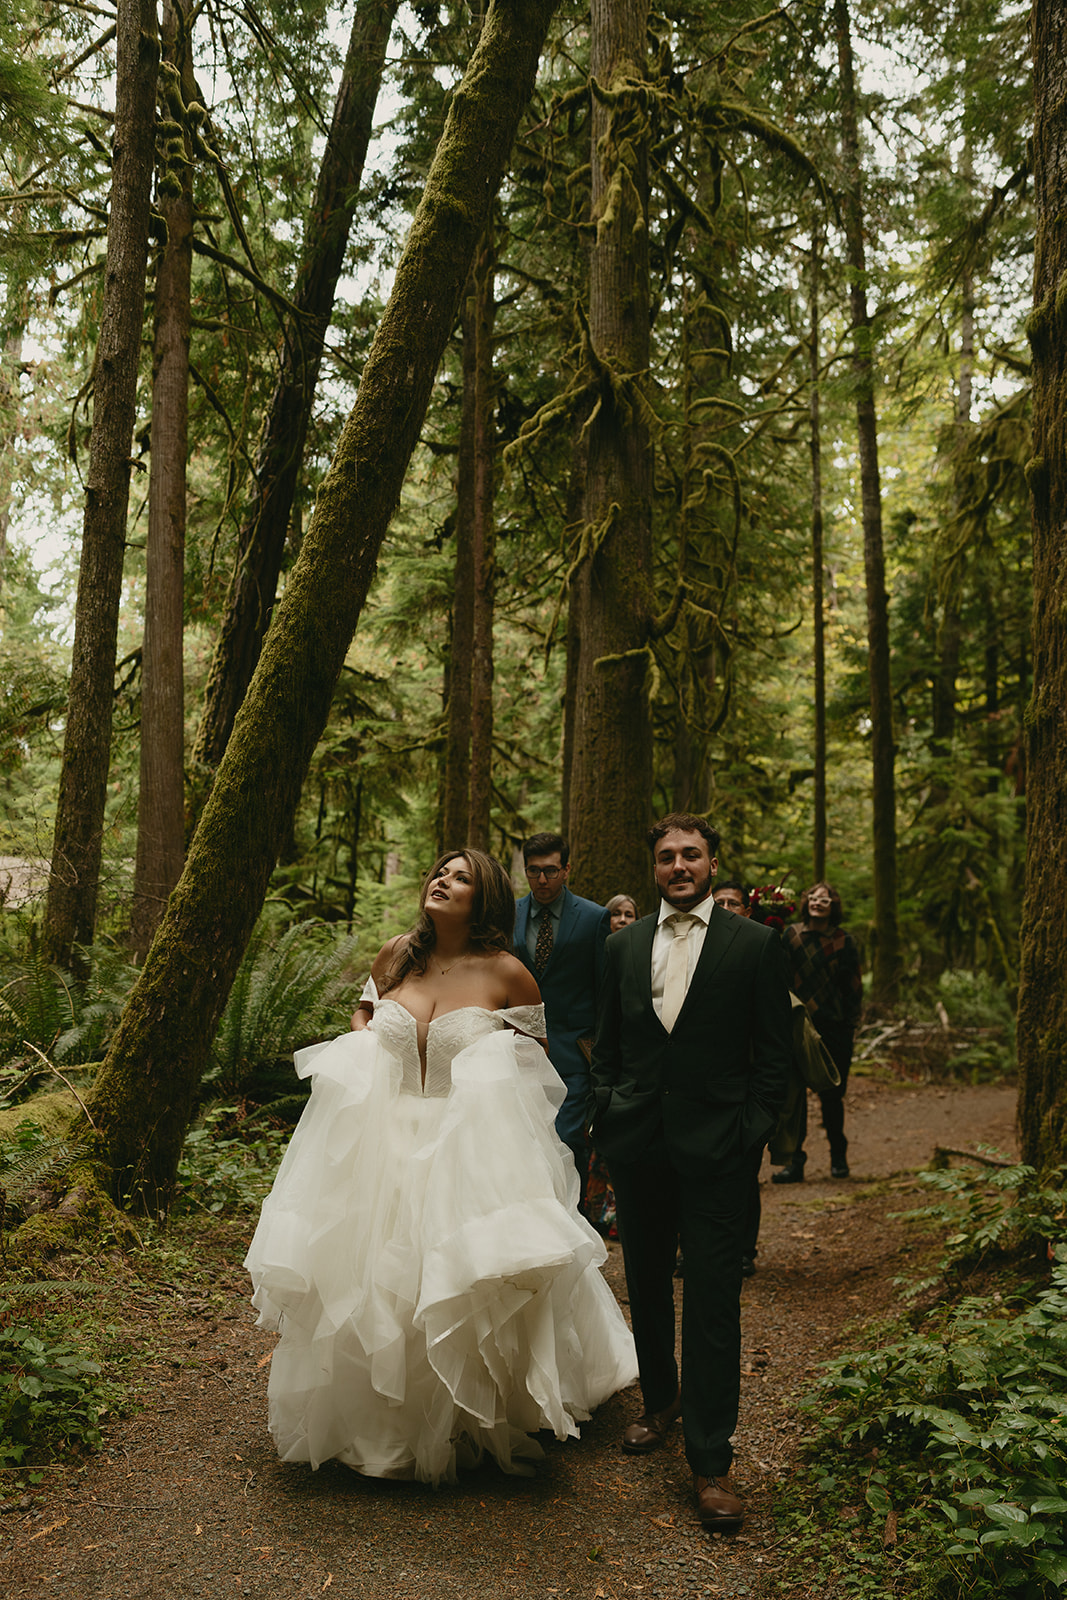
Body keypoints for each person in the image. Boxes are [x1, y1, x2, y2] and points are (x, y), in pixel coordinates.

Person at [245, 849, 637, 1486]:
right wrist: (367, 1046)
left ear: (482, 897)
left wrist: (489, 1087)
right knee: (372, 1280)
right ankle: (376, 1425)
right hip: (383, 1143)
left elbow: (536, 1062)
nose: (441, 881)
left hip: (467, 1149)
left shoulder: (509, 973)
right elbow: (366, 1013)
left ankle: (471, 1417)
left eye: (458, 877)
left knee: (459, 1281)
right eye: (439, 872)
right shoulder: (396, 954)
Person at [590, 814, 792, 1530]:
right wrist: (609, 1113)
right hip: (638, 1143)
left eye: (691, 855)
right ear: (653, 868)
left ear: (712, 862)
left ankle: (710, 1462)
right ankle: (661, 1403)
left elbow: (775, 1055)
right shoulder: (621, 947)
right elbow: (607, 1047)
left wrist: (749, 1135)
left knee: (711, 1300)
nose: (679, 865)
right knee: (644, 1284)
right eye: (667, 856)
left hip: (719, 1149)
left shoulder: (756, 945)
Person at [513, 832, 611, 1192]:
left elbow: (603, 988)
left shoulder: (593, 917)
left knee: (569, 1140)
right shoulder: (509, 914)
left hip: (573, 1052)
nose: (542, 880)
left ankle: (574, 1216)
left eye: (551, 871)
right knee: (523, 1140)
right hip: (518, 1050)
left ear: (567, 869)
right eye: (534, 871)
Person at [774, 881, 862, 1183]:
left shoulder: (844, 941)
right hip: (797, 1025)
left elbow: (853, 987)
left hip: (834, 1028)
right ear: (806, 902)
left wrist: (850, 1025)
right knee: (794, 1095)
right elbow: (780, 977)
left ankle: (839, 1157)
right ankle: (794, 1162)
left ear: (833, 905)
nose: (817, 902)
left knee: (832, 1096)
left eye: (824, 899)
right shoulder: (792, 936)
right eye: (813, 897)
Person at [711, 879, 761, 1279]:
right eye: (720, 901)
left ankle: (744, 1247)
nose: (726, 907)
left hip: (744, 1085)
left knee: (744, 1173)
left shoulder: (758, 945)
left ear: (747, 910)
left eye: (734, 903)